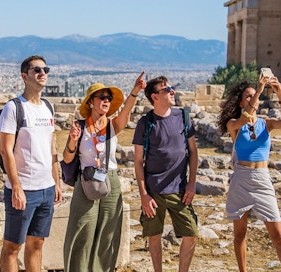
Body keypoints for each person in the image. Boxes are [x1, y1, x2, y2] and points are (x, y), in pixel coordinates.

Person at [62, 72, 146, 272]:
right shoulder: (80, 127)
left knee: (109, 230)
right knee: (82, 227)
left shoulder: (113, 125)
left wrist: (135, 91)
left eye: (109, 98)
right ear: (91, 102)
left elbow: (126, 111)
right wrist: (73, 141)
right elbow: (66, 158)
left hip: (110, 178)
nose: (107, 101)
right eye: (102, 97)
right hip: (87, 179)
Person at [216, 74, 281, 272]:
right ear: (241, 102)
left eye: (254, 96)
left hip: (262, 179)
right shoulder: (234, 124)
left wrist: (280, 94)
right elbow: (244, 118)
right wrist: (259, 89)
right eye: (248, 97)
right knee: (239, 234)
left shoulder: (266, 123)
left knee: (278, 235)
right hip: (241, 179)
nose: (253, 99)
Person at [0, 55, 62, 272]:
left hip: (46, 188)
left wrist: (57, 181)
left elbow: (51, 146)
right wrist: (16, 186)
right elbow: (6, 149)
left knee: (37, 243)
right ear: (25, 76)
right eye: (37, 70)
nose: (43, 73)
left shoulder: (48, 107)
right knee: (13, 246)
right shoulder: (14, 108)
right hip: (23, 188)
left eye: (45, 69)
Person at [132, 76, 198, 272]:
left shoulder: (184, 117)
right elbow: (138, 161)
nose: (172, 92)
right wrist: (143, 194)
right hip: (153, 191)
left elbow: (193, 151)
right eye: (167, 89)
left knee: (191, 233)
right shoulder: (145, 123)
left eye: (171, 88)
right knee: (154, 236)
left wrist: (192, 182)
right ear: (155, 97)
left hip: (179, 189)